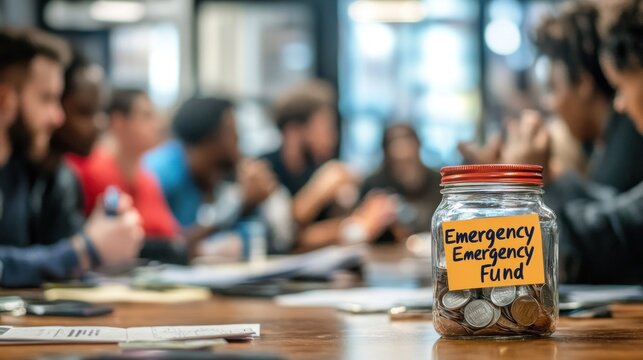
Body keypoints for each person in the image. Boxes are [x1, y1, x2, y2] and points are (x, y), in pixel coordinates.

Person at [498, 0, 643, 283]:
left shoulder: (629, 137)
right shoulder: (610, 140)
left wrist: (527, 181)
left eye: (553, 87)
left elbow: (606, 242)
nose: (620, 104)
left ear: (584, 83)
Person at [0, 29, 143, 287]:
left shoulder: (18, 173)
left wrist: (102, 234)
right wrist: (84, 249)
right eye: (46, 99)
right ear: (4, 99)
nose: (58, 117)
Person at [460, 1, 643, 193]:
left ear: (582, 84)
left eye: (553, 87)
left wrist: (531, 178)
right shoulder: (603, 145)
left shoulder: (629, 146)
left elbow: (606, 219)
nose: (549, 103)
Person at [145, 97, 293, 256]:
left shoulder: (211, 175)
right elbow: (172, 246)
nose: (237, 139)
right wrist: (240, 204)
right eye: (231, 131)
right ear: (208, 139)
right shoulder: (159, 175)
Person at [263, 80, 398, 250]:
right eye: (325, 127)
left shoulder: (316, 169)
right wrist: (320, 190)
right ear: (294, 131)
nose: (333, 138)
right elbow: (287, 238)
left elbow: (309, 235)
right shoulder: (264, 172)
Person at [67, 88, 179, 241]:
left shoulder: (148, 180)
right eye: (147, 116)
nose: (157, 125)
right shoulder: (88, 172)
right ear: (118, 122)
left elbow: (171, 234)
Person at [360, 124, 441, 241]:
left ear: (418, 146)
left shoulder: (439, 181)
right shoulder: (374, 183)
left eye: (409, 161)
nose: (402, 151)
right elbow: (361, 225)